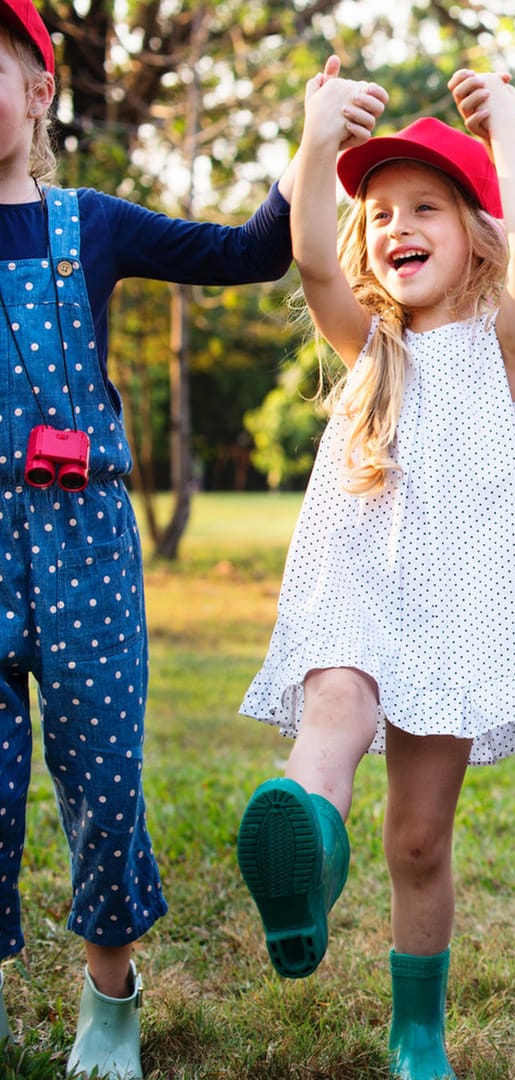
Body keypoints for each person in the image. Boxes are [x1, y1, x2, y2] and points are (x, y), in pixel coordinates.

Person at [234, 63, 515, 1079]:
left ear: (469, 229)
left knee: (420, 841)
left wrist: (509, 118)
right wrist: (311, 137)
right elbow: (307, 262)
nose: (397, 225)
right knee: (332, 723)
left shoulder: (500, 346)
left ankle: (415, 1030)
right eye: (380, 212)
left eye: (425, 206)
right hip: (352, 601)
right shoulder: (368, 347)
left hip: (457, 620)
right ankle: (300, 849)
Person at [0, 0, 319, 1073]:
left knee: (101, 772)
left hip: (82, 538)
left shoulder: (88, 223)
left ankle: (110, 997)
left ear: (39, 90)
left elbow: (250, 253)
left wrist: (309, 145)